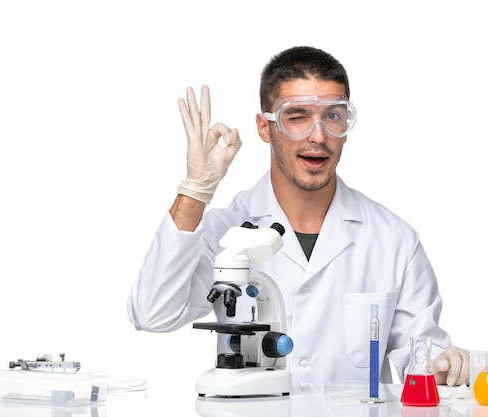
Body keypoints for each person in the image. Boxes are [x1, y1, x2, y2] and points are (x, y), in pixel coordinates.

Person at [127, 45, 470, 389]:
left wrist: (445, 367)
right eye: (297, 116)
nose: (318, 136)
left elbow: (424, 360)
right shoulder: (226, 231)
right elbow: (153, 313)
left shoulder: (393, 240)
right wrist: (194, 192)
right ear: (265, 127)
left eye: (333, 116)